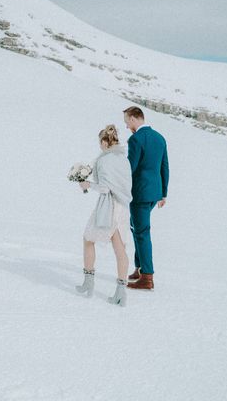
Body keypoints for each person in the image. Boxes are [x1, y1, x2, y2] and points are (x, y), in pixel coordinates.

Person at [75, 125, 133, 306]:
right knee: (120, 249)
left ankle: (89, 281)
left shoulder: (104, 160)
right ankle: (121, 292)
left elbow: (105, 188)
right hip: (123, 207)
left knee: (88, 239)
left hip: (108, 207)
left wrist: (87, 185)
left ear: (103, 142)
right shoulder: (124, 159)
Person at [123, 106, 169, 290]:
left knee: (142, 232)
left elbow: (130, 169)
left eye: (127, 122)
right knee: (137, 228)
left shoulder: (136, 139)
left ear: (134, 119)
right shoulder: (160, 138)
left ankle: (147, 277)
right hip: (154, 192)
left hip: (140, 193)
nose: (127, 126)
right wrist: (163, 192)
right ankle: (140, 267)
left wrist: (120, 187)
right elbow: (164, 167)